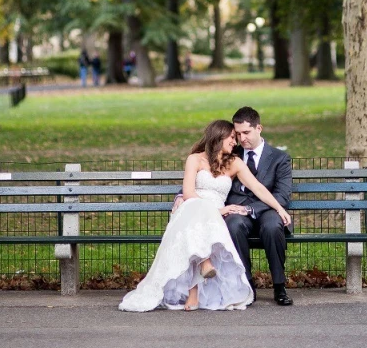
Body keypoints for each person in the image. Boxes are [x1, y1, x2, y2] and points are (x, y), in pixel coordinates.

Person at [119, 120, 291, 312]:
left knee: (196, 220)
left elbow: (258, 188)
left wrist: (279, 208)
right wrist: (216, 210)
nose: (236, 142)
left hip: (214, 215)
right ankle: (201, 271)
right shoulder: (195, 159)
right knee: (193, 213)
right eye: (232, 137)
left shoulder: (234, 162)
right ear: (219, 137)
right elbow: (189, 193)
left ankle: (200, 278)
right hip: (196, 208)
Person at [227, 106, 294, 306]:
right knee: (233, 224)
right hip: (237, 213)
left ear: (259, 128)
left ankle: (279, 286)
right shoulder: (231, 154)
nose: (241, 138)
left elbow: (282, 195)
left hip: (268, 211)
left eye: (246, 132)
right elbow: (203, 176)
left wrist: (251, 209)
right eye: (238, 134)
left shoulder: (279, 158)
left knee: (274, 226)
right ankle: (246, 285)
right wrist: (181, 195)